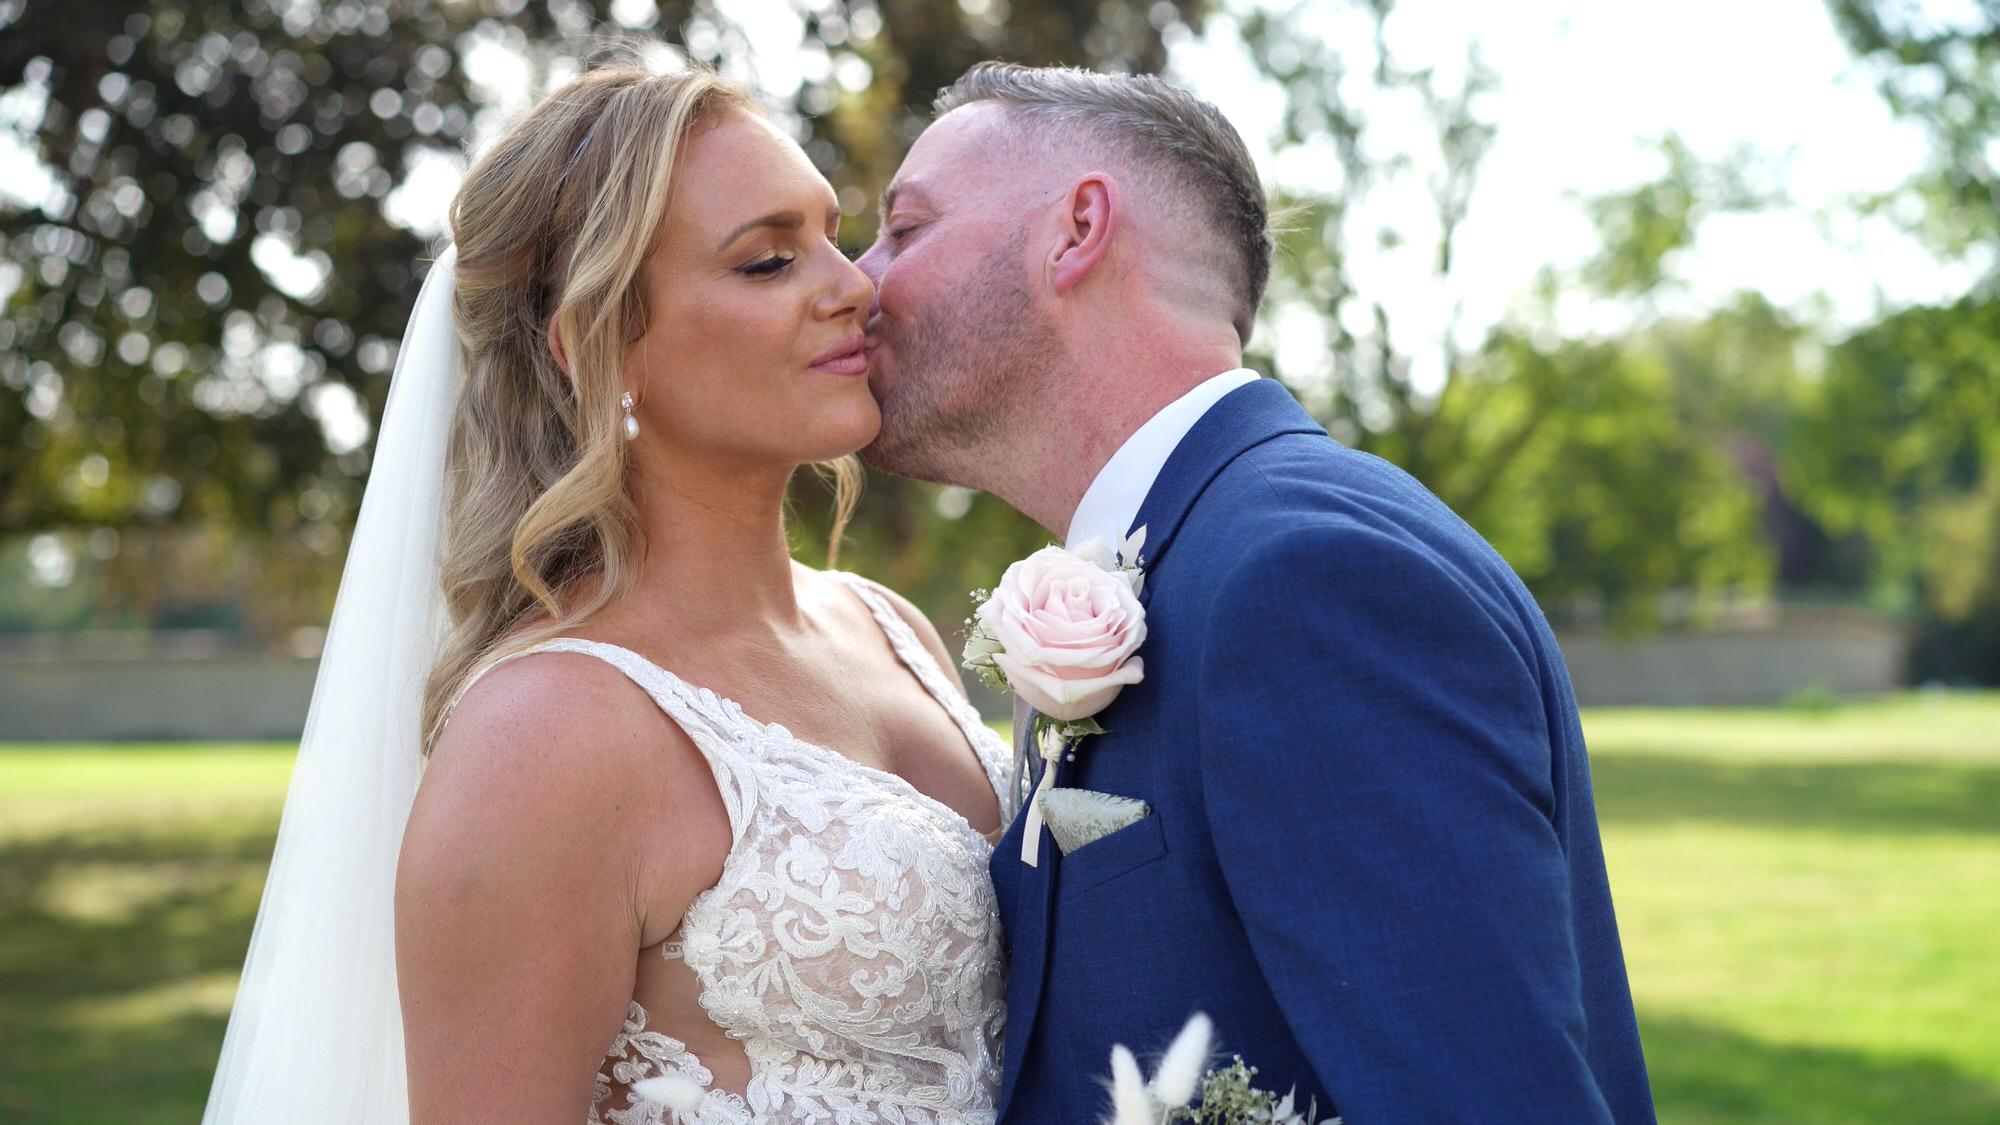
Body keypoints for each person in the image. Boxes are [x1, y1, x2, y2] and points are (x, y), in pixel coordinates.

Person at [853, 62, 1658, 1124]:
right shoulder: (1184, 557)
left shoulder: (1310, 580)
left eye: (902, 231)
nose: (856, 282)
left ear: (1075, 228)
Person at [205, 62, 1009, 1125]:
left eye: (832, 232)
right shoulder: (544, 737)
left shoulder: (890, 628)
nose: (851, 283)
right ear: (597, 348)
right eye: (768, 260)